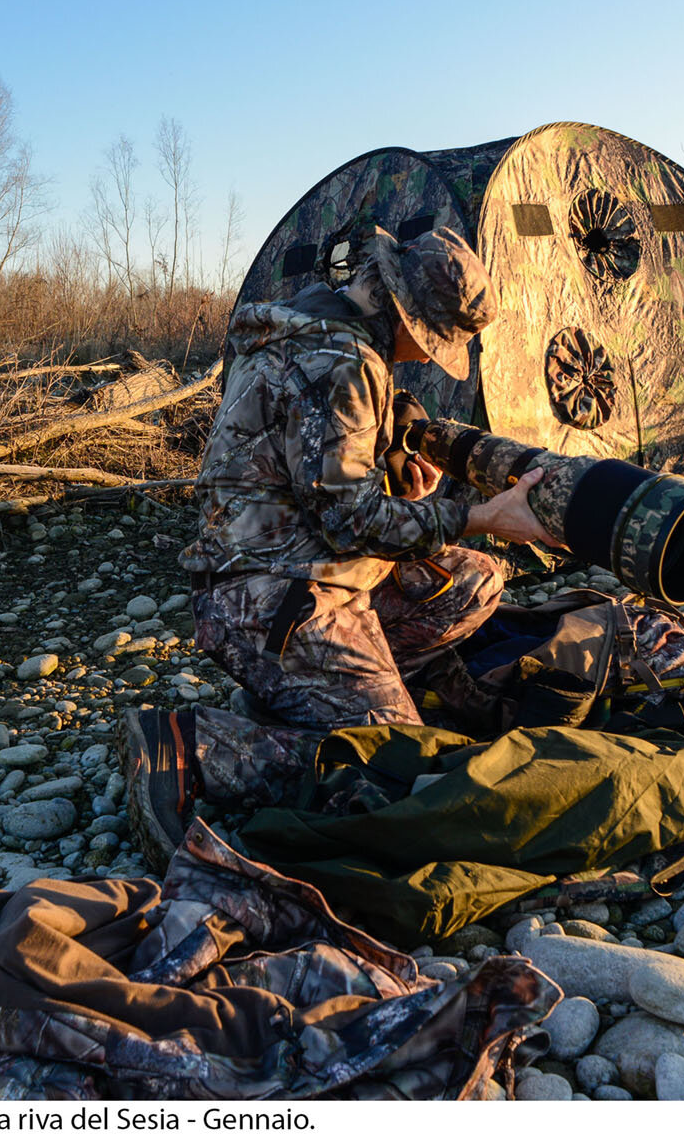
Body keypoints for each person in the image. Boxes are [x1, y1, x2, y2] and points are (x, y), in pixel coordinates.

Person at [119, 225, 557, 865]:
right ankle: (194, 747)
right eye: (429, 340)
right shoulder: (341, 364)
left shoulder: (312, 332)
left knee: (473, 580)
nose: (421, 358)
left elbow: (320, 493)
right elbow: (351, 522)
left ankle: (311, 696)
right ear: (403, 311)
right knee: (397, 764)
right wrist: (480, 516)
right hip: (269, 599)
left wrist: (411, 492)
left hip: (296, 574)